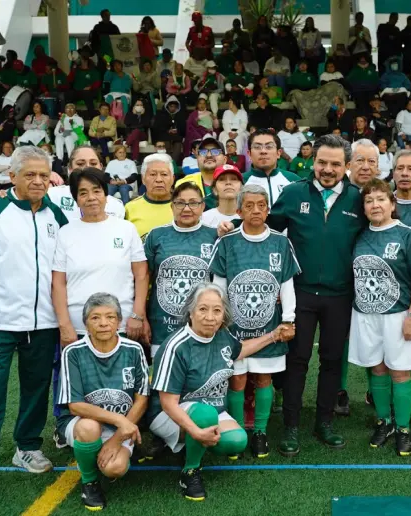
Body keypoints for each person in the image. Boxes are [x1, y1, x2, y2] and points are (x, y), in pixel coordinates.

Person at [218, 135, 365, 456]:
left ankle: (324, 422)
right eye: (322, 162)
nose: (327, 169)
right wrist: (229, 223)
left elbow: (382, 221)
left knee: (331, 360)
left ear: (347, 166)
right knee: (296, 362)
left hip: (340, 296)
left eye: (335, 164)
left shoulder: (357, 199)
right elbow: (264, 221)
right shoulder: (295, 191)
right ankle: (292, 427)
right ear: (313, 161)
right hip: (301, 294)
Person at [0, 146, 67, 503]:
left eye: (43, 174)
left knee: (37, 391)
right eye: (29, 175)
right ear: (13, 177)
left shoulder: (56, 215)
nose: (37, 181)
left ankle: (27, 447)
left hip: (44, 324)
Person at [148, 283, 293, 499]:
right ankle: (190, 470)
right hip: (168, 413)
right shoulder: (176, 346)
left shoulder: (222, 336)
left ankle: (191, 443)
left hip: (208, 410)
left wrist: (273, 336)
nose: (210, 317)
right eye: (203, 309)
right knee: (204, 415)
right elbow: (168, 403)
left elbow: (240, 350)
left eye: (217, 310)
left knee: (237, 441)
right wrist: (195, 432)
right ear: (191, 311)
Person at [210, 184, 300, 458]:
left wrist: (288, 320)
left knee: (263, 379)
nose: (256, 211)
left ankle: (260, 431)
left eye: (261, 205)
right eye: (248, 206)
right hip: (234, 329)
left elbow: (287, 284)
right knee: (237, 381)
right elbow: (219, 287)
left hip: (269, 327)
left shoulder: (280, 242)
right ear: (239, 210)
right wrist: (220, 323)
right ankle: (237, 431)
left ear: (268, 209)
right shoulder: (227, 242)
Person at [347, 178, 411, 455]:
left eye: (380, 199)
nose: (374, 205)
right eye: (368, 201)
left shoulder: (406, 235)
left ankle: (404, 427)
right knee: (377, 368)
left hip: (398, 314)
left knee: (400, 371)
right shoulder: (358, 234)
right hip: (365, 315)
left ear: (392, 204)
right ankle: (385, 422)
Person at [55, 293, 148, 511]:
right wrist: (119, 420)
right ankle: (89, 482)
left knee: (115, 469)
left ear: (119, 321)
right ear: (86, 324)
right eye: (95, 318)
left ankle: (99, 451)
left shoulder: (133, 350)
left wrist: (117, 438)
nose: (103, 323)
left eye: (110, 317)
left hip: (121, 427)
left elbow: (142, 399)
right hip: (81, 421)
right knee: (89, 427)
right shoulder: (73, 352)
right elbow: (75, 405)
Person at [51, 167, 148, 348]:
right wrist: (65, 324)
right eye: (83, 193)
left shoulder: (126, 229)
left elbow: (141, 275)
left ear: (106, 194)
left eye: (97, 191)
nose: (91, 198)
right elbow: (58, 283)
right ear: (76, 199)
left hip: (122, 324)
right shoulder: (65, 233)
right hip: (79, 327)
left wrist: (137, 314)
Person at [143, 181, 218, 355]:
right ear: (172, 206)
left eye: (193, 203)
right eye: (180, 203)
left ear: (202, 206)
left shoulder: (214, 236)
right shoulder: (157, 235)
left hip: (203, 326)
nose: (186, 208)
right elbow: (143, 277)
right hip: (162, 326)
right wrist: (141, 316)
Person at [47, 145, 125, 223]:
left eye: (93, 163)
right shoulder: (53, 195)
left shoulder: (116, 205)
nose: (87, 167)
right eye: (80, 164)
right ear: (69, 169)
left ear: (101, 167)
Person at [243, 129, 301, 207]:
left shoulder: (295, 181)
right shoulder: (240, 181)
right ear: (249, 154)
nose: (263, 151)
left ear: (278, 153)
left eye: (269, 147)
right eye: (257, 147)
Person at [125, 154, 176, 241]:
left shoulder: (184, 207)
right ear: (143, 179)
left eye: (164, 174)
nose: (159, 179)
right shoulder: (129, 208)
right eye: (152, 174)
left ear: (172, 179)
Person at [176, 137, 227, 208]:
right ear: (197, 159)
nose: (209, 155)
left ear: (225, 159)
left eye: (215, 151)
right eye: (203, 152)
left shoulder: (234, 183)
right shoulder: (184, 184)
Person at [152, 96, 186, 164]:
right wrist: (168, 130)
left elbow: (183, 129)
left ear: (177, 107)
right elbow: (157, 128)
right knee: (165, 143)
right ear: (167, 106)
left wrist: (177, 130)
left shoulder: (180, 115)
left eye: (174, 107)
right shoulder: (161, 115)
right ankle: (167, 163)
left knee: (178, 144)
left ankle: (172, 164)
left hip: (176, 137)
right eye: (171, 106)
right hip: (164, 136)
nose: (173, 108)